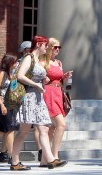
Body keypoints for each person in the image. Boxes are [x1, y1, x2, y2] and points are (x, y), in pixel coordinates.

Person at [9, 35, 68, 170]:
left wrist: (43, 80)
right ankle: (15, 162)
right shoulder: (29, 57)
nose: (47, 48)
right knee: (23, 131)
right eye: (45, 45)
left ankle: (51, 160)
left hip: (38, 97)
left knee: (44, 128)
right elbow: (20, 76)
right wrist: (36, 85)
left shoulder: (37, 59)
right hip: (29, 97)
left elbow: (36, 76)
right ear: (39, 44)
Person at [42, 37, 72, 162]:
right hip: (48, 93)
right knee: (61, 125)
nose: (58, 49)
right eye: (56, 47)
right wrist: (44, 80)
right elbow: (38, 77)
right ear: (49, 48)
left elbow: (58, 79)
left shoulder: (59, 63)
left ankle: (44, 159)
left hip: (58, 93)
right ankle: (54, 156)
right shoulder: (43, 62)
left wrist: (64, 78)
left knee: (52, 127)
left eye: (59, 47)